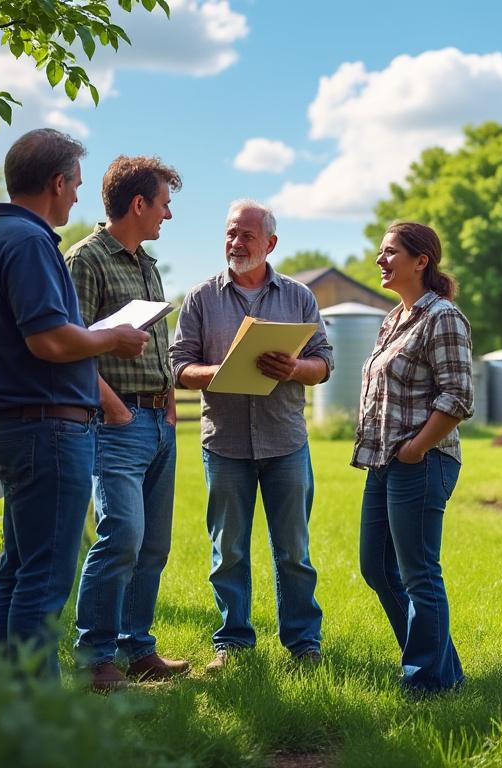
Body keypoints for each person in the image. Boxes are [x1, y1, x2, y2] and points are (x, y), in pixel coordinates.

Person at [0, 128, 149, 679]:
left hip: (20, 427)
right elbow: (48, 339)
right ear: (56, 181)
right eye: (75, 186)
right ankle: (34, 714)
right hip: (46, 429)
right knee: (43, 582)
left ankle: (9, 704)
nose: (76, 197)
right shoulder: (28, 241)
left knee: (21, 573)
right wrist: (113, 338)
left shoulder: (0, 238)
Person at [169, 199, 334, 670]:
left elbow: (325, 362)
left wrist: (295, 367)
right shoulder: (201, 298)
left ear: (271, 243)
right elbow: (178, 367)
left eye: (246, 235)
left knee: (294, 552)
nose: (236, 243)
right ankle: (233, 644)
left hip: (285, 442)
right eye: (230, 233)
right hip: (224, 445)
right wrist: (222, 372)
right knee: (229, 551)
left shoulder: (299, 296)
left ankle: (304, 645)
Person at [66, 156, 187, 691]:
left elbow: (150, 340)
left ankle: (138, 649)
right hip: (116, 423)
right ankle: (95, 659)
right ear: (139, 204)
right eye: (164, 204)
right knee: (122, 536)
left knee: (153, 544)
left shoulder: (148, 264)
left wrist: (169, 401)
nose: (168, 215)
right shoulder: (85, 260)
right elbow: (70, 346)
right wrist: (114, 407)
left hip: (158, 419)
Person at [352, 221, 473, 695]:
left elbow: (458, 396)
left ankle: (426, 682)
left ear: (420, 261)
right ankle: (443, 670)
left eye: (390, 253)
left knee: (419, 572)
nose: (380, 261)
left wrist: (417, 447)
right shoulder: (393, 319)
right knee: (376, 567)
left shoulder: (444, 317)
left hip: (423, 463)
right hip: (384, 463)